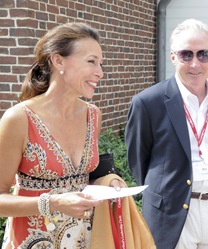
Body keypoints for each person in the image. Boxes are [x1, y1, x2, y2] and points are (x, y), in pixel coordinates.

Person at [0, 22, 124, 248]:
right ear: (58, 61)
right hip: (34, 241)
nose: (100, 72)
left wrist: (108, 181)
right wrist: (53, 203)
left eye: (100, 64)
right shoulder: (19, 119)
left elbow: (81, 179)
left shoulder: (93, 115)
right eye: (91, 61)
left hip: (86, 239)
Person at [125, 18, 208, 249]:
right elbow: (138, 161)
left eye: (203, 54)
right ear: (173, 57)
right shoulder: (147, 102)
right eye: (186, 54)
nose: (195, 64)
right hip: (170, 211)